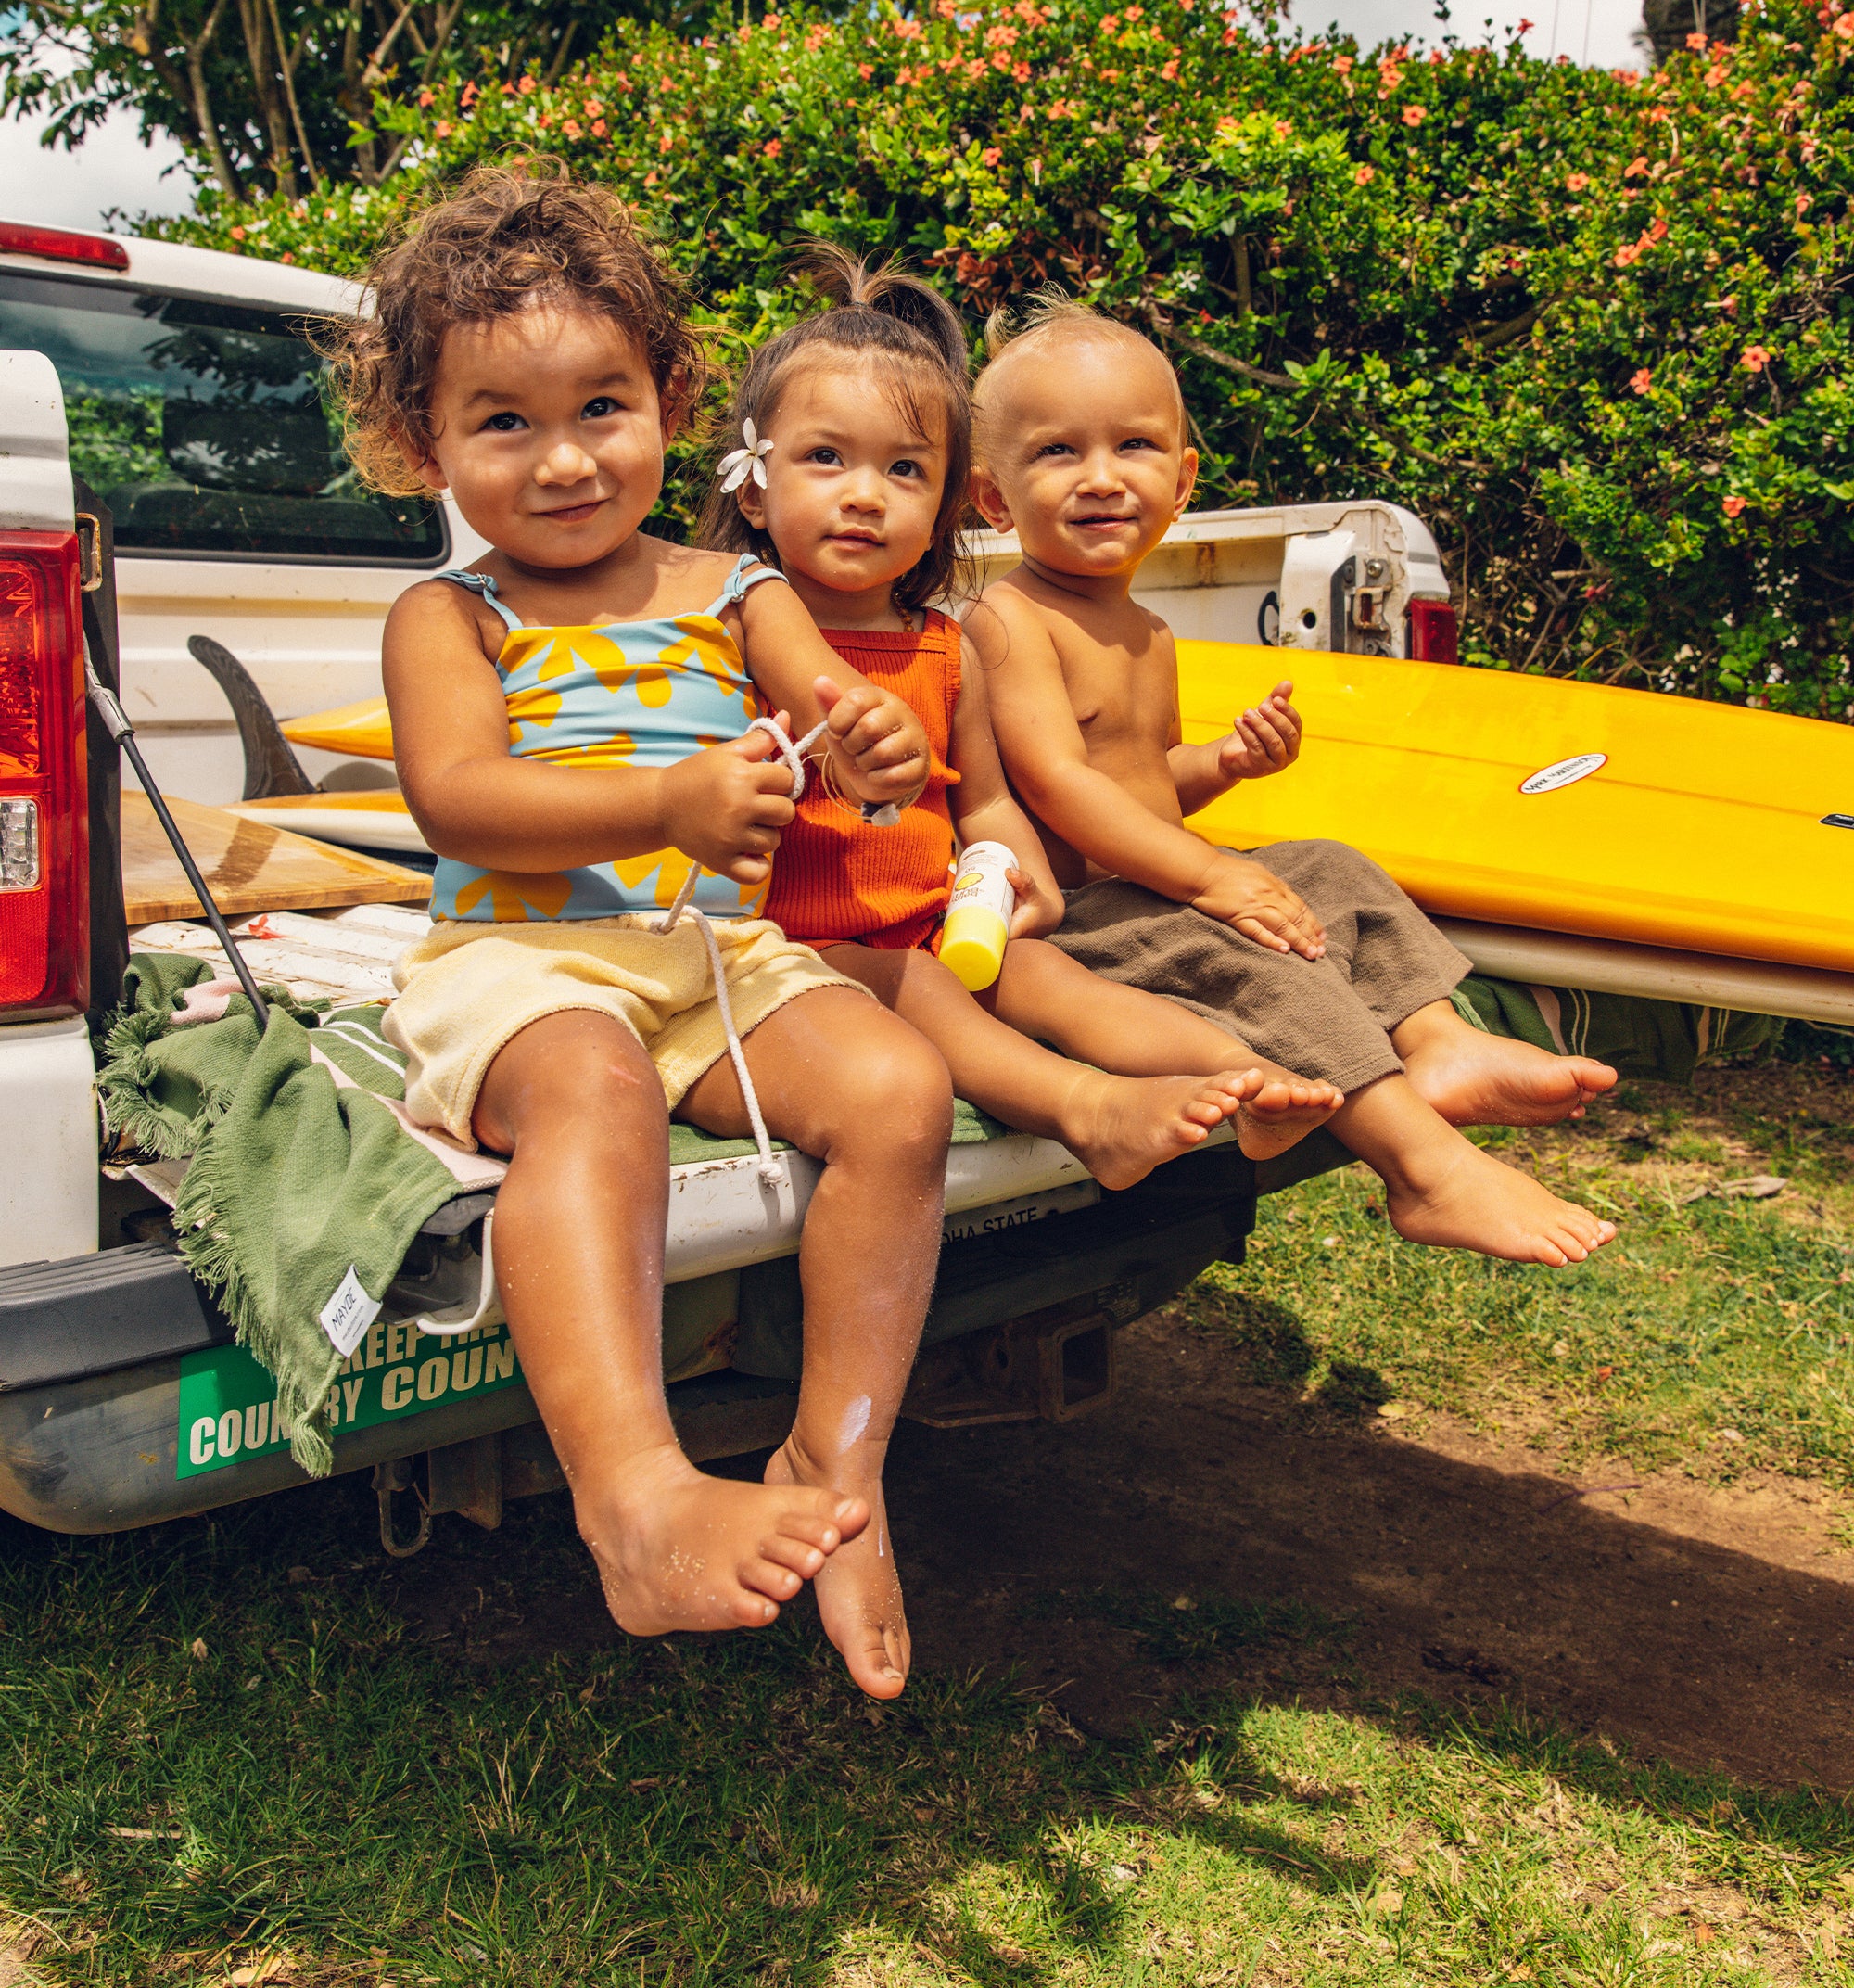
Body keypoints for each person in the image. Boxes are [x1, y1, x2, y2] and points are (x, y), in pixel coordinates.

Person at [331, 163, 955, 1699]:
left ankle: (838, 1466)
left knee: (899, 1095)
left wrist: (868, 747)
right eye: (502, 424)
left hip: (710, 966)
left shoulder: (734, 589)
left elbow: (838, 707)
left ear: (673, 396)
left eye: (601, 407)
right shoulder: (451, 619)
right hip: (522, 967)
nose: (560, 462)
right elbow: (462, 801)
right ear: (423, 443)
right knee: (593, 1090)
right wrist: (665, 807)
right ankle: (634, 1493)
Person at [968, 295, 1619, 1269]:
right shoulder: (1010, 621)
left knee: (1333, 869)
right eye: (1057, 453)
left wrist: (1223, 765)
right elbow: (1060, 787)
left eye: (1134, 447)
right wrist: (1206, 878)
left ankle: (1434, 1039)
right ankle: (1423, 1171)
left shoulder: (1145, 630)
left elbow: (1140, 782)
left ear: (1182, 481)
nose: (1101, 479)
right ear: (992, 499)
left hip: (1153, 881)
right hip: (1087, 918)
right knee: (1266, 963)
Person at [695, 249, 1346, 1179]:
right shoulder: (724, 638)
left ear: (947, 505)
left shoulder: (945, 645)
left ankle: (1246, 1078)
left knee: (1046, 975)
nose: (863, 494)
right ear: (753, 486)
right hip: (803, 942)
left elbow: (987, 803)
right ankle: (1089, 1111)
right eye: (825, 458)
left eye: (904, 469)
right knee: (924, 988)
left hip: (932, 919)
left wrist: (1022, 876)